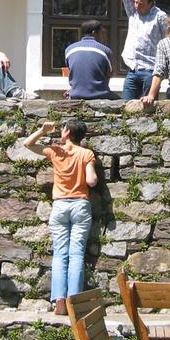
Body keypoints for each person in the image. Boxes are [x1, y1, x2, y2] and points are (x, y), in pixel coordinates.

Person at [24, 119, 98, 316]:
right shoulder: (86, 153)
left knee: (60, 254)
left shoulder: (55, 151)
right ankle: (73, 301)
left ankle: (59, 299)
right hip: (80, 205)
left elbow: (27, 144)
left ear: (66, 133)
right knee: (76, 255)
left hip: (60, 205)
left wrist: (42, 130)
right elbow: (91, 181)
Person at [120, 0, 168, 100]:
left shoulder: (160, 16)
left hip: (150, 70)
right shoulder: (133, 12)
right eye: (136, 2)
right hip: (132, 69)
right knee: (125, 105)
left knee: (148, 107)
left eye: (141, 4)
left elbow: (167, 39)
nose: (136, 6)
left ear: (151, 4)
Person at [65, 20, 116, 100]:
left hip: (75, 95)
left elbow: (71, 70)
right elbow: (110, 73)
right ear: (94, 33)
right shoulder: (105, 51)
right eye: (102, 32)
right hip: (100, 95)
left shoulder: (69, 50)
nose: (104, 35)